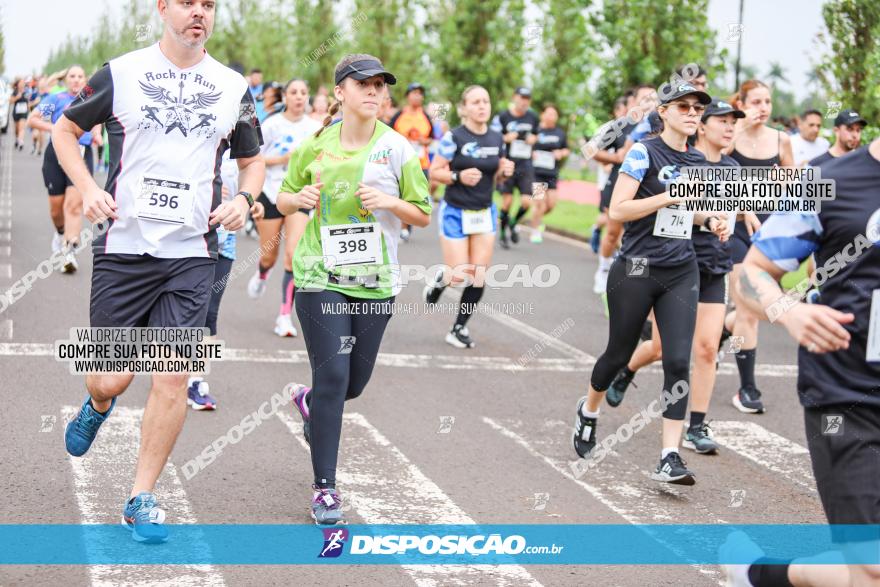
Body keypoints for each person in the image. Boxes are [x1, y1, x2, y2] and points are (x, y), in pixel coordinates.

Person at [54, 0, 265, 543]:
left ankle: (140, 497)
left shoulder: (232, 87)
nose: (200, 13)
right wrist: (89, 187)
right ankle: (98, 402)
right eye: (189, 3)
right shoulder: (121, 72)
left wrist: (244, 198)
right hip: (123, 251)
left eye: (209, 5)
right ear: (163, 8)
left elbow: (253, 158)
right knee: (110, 375)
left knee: (172, 375)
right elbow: (64, 131)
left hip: (193, 255)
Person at [275, 53, 431, 525]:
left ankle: (309, 403)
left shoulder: (398, 149)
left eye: (380, 85)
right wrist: (297, 200)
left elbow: (422, 212)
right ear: (340, 91)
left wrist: (389, 201)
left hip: (375, 280)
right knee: (335, 378)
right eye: (362, 83)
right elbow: (282, 195)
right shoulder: (314, 146)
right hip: (320, 276)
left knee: (354, 384)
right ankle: (325, 489)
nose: (373, 91)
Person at [725, 137, 880, 587]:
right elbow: (752, 274)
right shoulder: (826, 181)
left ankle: (759, 575)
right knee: (872, 568)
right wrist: (788, 311)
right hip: (849, 398)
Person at [571, 83, 728, 485]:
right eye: (684, 106)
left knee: (677, 360)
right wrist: (665, 197)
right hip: (638, 268)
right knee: (617, 352)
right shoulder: (644, 151)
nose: (693, 113)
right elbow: (618, 209)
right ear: (665, 112)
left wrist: (709, 221)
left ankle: (669, 456)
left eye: (698, 108)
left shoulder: (698, 160)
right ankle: (589, 411)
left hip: (681, 268)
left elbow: (690, 213)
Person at [604, 99, 752, 456]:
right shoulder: (681, 161)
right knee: (662, 349)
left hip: (712, 265)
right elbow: (652, 203)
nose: (730, 127)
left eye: (735, 122)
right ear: (703, 126)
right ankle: (626, 370)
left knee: (705, 348)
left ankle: (697, 425)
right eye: (723, 121)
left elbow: (730, 208)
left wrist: (734, 217)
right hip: (675, 262)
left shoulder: (731, 168)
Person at [423, 85, 514, 348]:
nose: (482, 106)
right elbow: (434, 171)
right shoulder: (455, 137)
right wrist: (457, 176)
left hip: (484, 211)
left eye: (485, 101)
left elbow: (496, 176)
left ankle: (458, 327)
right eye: (475, 102)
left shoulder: (497, 138)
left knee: (478, 275)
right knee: (458, 276)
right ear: (464, 108)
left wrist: (504, 171)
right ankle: (442, 279)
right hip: (455, 211)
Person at [725, 79, 794, 414]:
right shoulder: (728, 136)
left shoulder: (782, 141)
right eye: (755, 102)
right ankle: (746, 387)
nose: (763, 108)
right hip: (734, 229)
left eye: (767, 101)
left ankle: (727, 326)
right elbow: (712, 177)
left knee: (757, 310)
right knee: (750, 311)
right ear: (742, 103)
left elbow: (794, 188)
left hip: (767, 234)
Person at [187, 152, 265, 410]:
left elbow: (250, 182)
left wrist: (251, 203)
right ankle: (170, 370)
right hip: (186, 241)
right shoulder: (201, 139)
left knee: (209, 313)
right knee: (178, 309)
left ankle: (195, 380)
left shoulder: (244, 148)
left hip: (223, 244)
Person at [246, 78, 321, 337]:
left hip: (299, 196)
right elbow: (252, 158)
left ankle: (284, 316)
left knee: (293, 254)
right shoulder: (272, 125)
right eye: (293, 92)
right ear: (285, 97)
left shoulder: (316, 128)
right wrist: (282, 159)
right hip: (270, 192)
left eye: (303, 92)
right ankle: (263, 273)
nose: (299, 96)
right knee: (269, 256)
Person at [26, 65, 102, 267]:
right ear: (66, 79)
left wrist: (96, 134)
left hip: (82, 155)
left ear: (85, 79)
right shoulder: (56, 100)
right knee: (56, 209)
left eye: (80, 76)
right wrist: (58, 130)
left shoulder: (91, 99)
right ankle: (60, 233)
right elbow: (32, 119)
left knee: (74, 206)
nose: (76, 80)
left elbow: (96, 122)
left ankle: (69, 251)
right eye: (72, 76)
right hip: (56, 154)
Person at [592, 84, 658, 294]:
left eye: (653, 98)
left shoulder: (661, 125)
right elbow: (593, 150)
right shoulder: (622, 125)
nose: (650, 102)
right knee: (613, 233)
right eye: (645, 98)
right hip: (619, 184)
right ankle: (603, 270)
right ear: (634, 102)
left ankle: (635, 283)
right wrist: (616, 157)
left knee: (641, 237)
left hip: (647, 188)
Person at [491, 86, 539, 249]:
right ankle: (503, 233)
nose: (524, 101)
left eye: (527, 98)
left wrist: (533, 139)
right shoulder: (503, 116)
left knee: (527, 202)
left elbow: (536, 134)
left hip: (526, 165)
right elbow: (492, 137)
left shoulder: (532, 117)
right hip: (508, 164)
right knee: (507, 202)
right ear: (514, 98)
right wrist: (505, 138)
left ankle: (512, 223)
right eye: (521, 97)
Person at [390, 82, 434, 242]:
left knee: (417, 197)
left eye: (420, 93)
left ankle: (408, 226)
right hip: (401, 163)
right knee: (401, 195)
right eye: (414, 93)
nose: (417, 96)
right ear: (407, 96)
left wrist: (425, 141)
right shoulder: (399, 115)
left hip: (421, 163)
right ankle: (403, 228)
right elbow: (388, 135)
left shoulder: (426, 117)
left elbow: (433, 139)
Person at [528, 103, 569, 243]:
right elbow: (525, 145)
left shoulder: (560, 133)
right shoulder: (536, 131)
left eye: (554, 114)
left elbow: (566, 149)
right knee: (539, 202)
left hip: (552, 174)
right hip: (536, 173)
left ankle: (537, 219)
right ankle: (534, 231)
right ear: (543, 115)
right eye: (549, 113)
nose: (551, 116)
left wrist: (561, 153)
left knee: (550, 205)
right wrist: (531, 152)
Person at [10, 79, 30, 151]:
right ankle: (17, 139)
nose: (22, 84)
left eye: (23, 83)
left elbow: (28, 102)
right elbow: (11, 101)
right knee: (16, 129)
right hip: (16, 112)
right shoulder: (15, 92)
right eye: (20, 83)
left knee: (21, 128)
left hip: (24, 113)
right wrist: (17, 97)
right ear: (17, 84)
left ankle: (21, 142)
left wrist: (29, 110)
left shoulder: (26, 92)